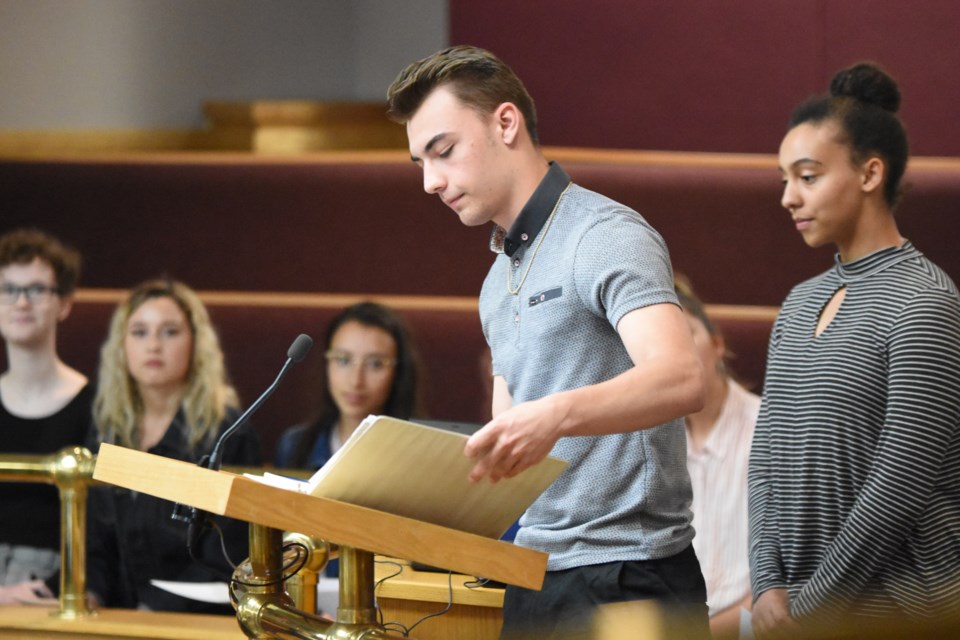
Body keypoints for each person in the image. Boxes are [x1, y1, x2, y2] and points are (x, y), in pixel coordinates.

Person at [387, 46, 708, 638]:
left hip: (627, 570)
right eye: (419, 163)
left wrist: (554, 416)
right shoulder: (495, 280)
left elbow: (682, 378)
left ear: (505, 123)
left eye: (444, 151)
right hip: (534, 570)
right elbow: (512, 443)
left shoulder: (603, 233)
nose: (431, 182)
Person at [748, 62, 960, 637]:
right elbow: (765, 456)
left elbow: (901, 482)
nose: (789, 197)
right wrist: (766, 585)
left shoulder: (926, 301)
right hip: (791, 614)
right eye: (784, 179)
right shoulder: (797, 303)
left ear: (870, 173)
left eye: (808, 177)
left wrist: (811, 604)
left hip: (897, 615)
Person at [86, 278, 260, 613]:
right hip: (113, 617)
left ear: (196, 344)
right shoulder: (107, 427)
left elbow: (230, 553)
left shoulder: (227, 432)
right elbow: (95, 540)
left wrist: (155, 608)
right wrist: (90, 593)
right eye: (139, 332)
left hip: (194, 619)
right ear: (121, 346)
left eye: (169, 332)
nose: (153, 345)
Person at [0, 228, 92, 605]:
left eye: (37, 290)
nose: (21, 302)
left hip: (58, 584)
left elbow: (105, 526)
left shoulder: (97, 406)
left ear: (64, 303)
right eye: (8, 289)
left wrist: (52, 588)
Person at [677, 279, 759, 640]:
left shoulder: (769, 428)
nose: (676, 353)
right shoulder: (649, 442)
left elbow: (792, 578)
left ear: (717, 343)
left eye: (687, 335)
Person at [273, 301, 423, 470]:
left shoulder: (422, 452)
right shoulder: (295, 445)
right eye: (343, 360)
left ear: (399, 372)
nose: (356, 381)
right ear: (327, 363)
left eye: (375, 364)